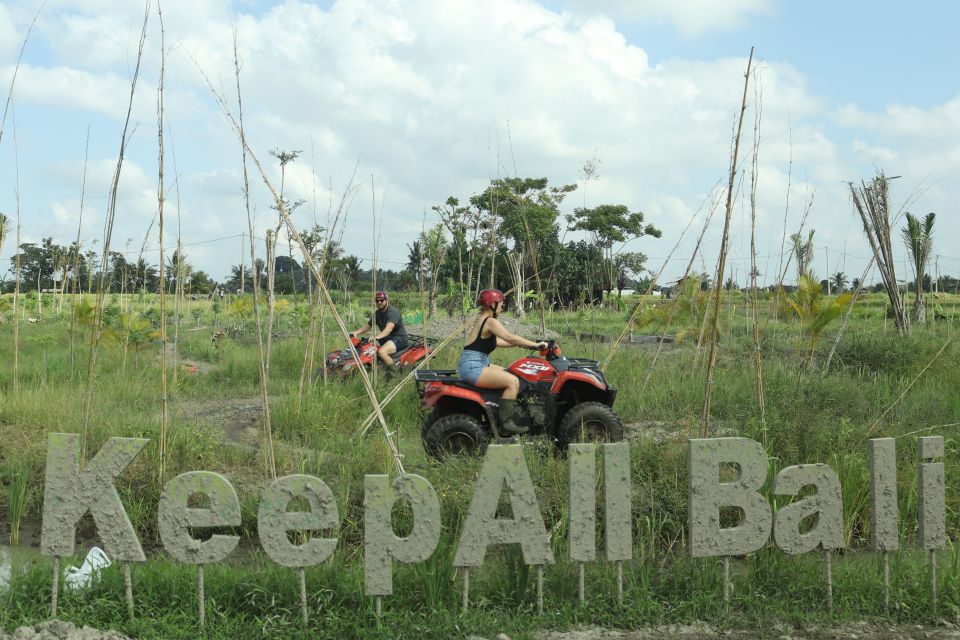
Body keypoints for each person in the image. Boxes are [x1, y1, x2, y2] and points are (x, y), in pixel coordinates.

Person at [457, 289, 547, 435]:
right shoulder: (490, 321)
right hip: (473, 366)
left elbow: (498, 341)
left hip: (475, 363)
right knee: (513, 382)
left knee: (510, 372)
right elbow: (510, 337)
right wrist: (535, 345)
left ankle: (500, 407)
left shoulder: (483, 319)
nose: (502, 307)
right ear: (492, 304)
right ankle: (506, 424)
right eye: (501, 304)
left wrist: (522, 344)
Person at [351, 291, 408, 377]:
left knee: (382, 352)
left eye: (382, 300)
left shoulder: (393, 312)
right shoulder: (378, 313)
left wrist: (377, 337)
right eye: (377, 301)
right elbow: (368, 326)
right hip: (387, 338)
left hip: (399, 339)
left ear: (386, 300)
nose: (379, 302)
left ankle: (395, 372)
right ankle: (377, 367)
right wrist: (356, 332)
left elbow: (388, 329)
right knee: (367, 347)